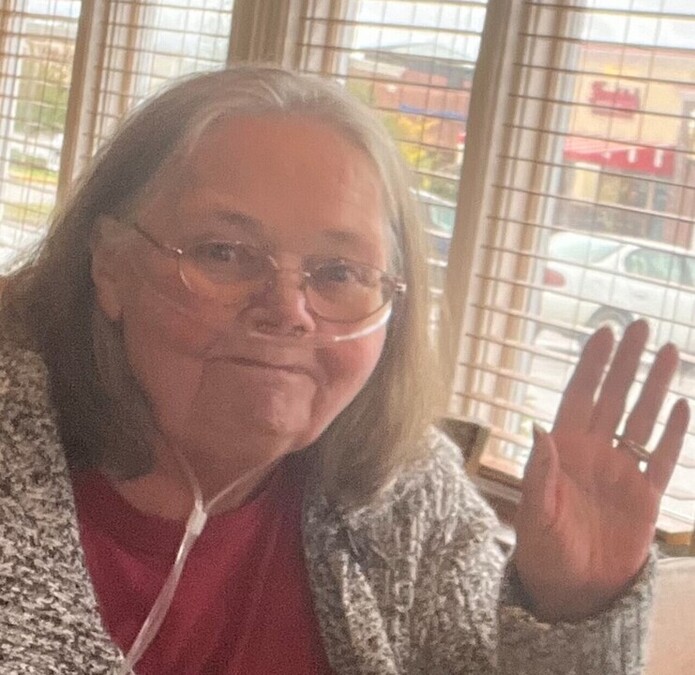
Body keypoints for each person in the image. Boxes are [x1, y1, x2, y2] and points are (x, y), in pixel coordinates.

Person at [0, 65, 688, 674]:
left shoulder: (407, 497)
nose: (287, 311)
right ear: (111, 265)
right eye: (223, 252)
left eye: (338, 272)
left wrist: (574, 613)